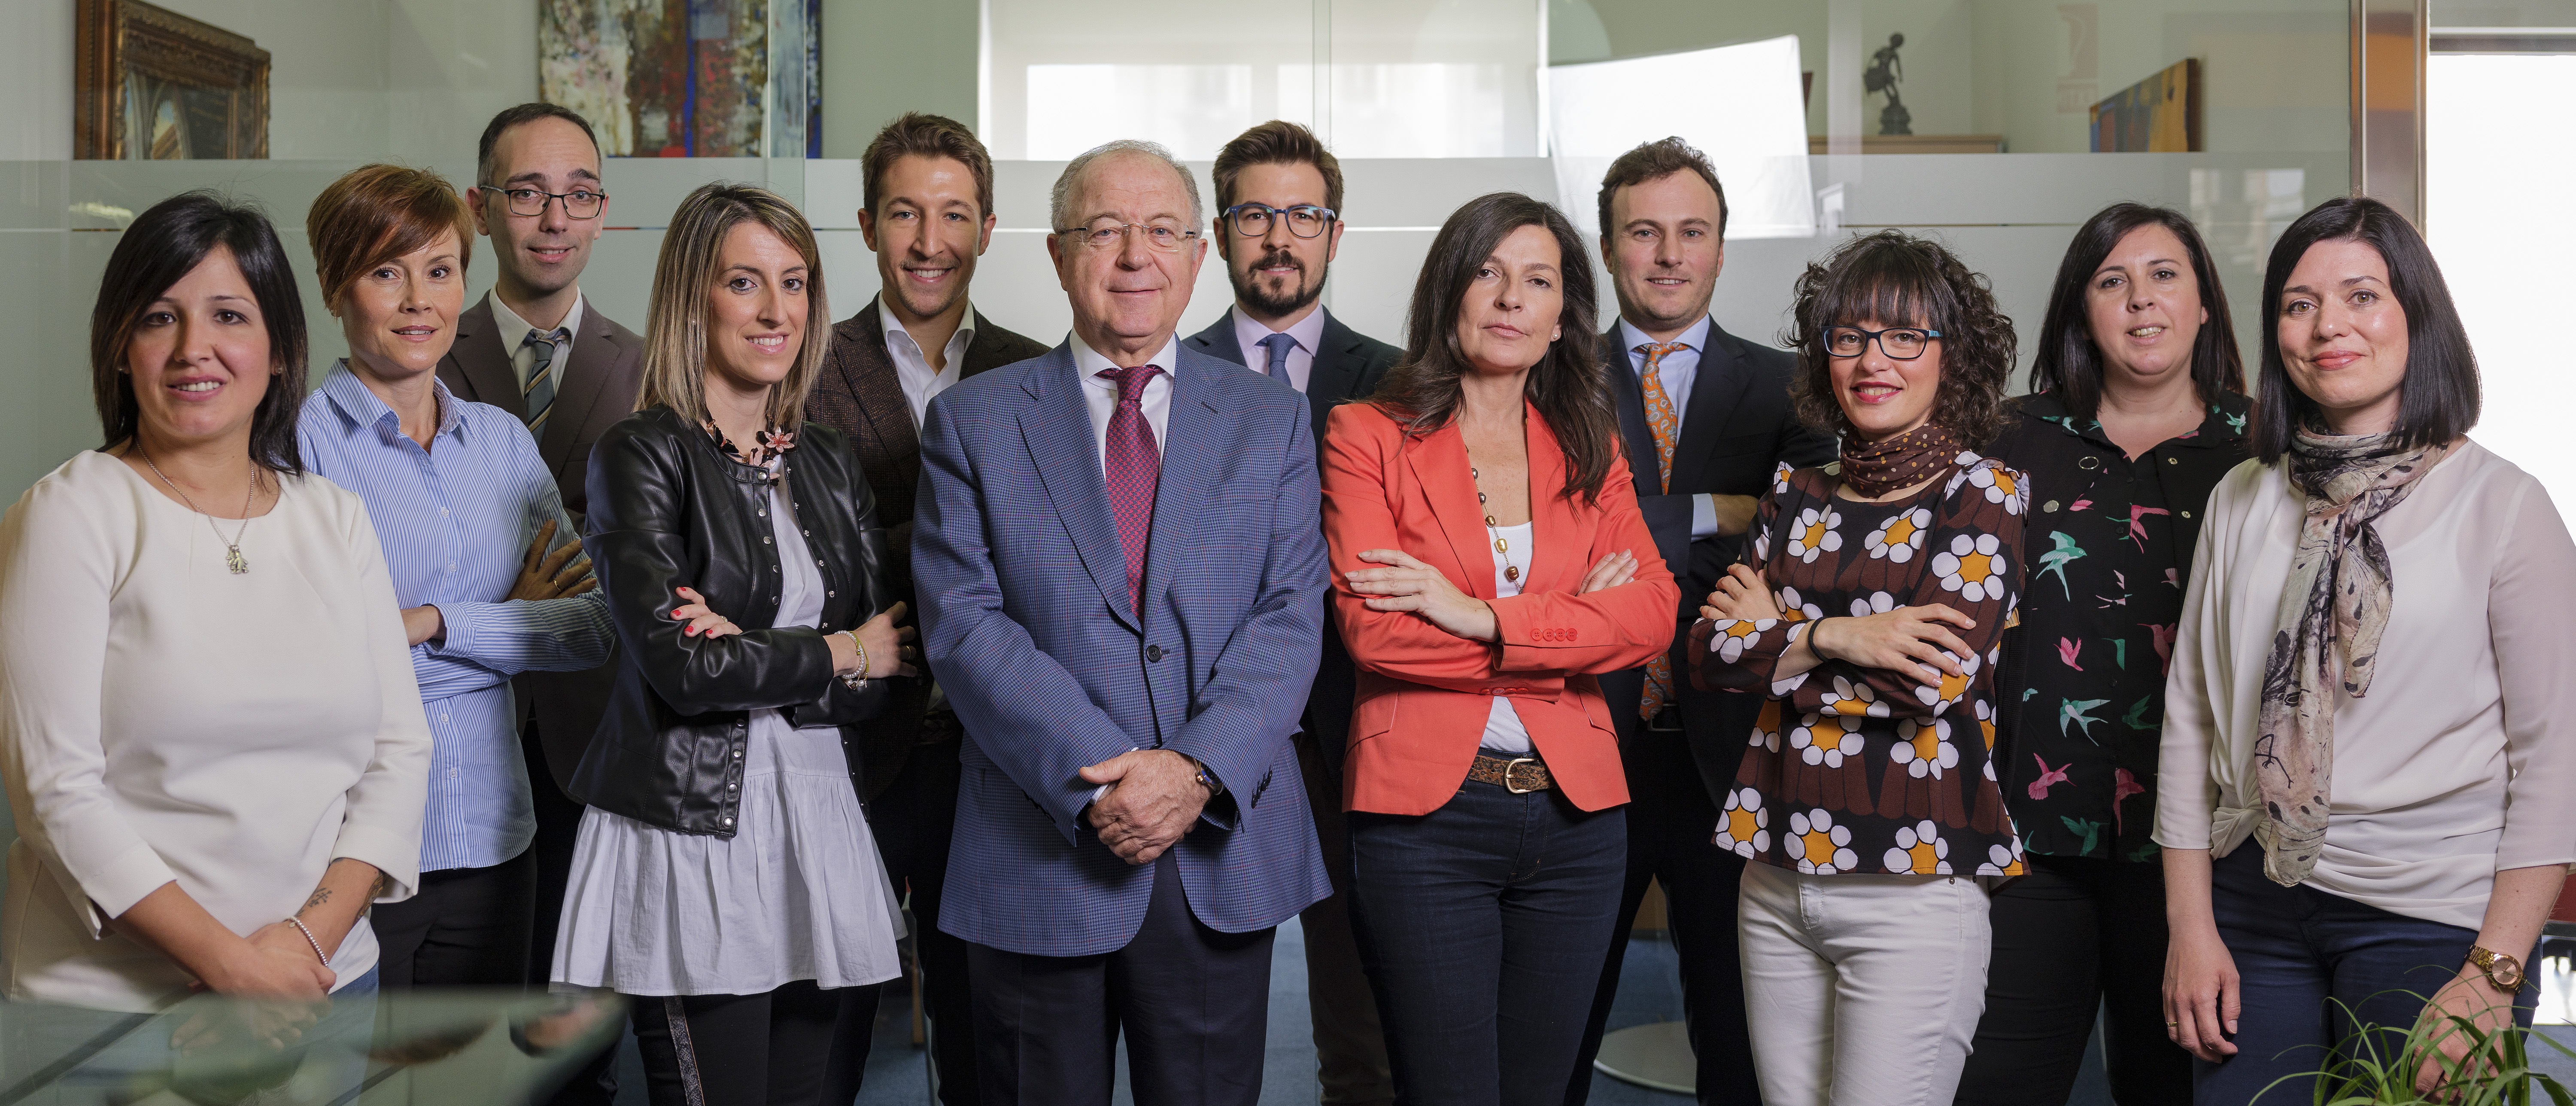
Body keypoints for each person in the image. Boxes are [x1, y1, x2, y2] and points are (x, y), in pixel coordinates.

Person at [913, 139, 1331, 1106]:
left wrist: (1192, 772)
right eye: (1106, 230)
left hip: (1214, 842)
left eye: (1162, 231)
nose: (1137, 255)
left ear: (1198, 254)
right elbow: (966, 626)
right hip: (1039, 840)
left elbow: (1289, 616)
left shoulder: (1270, 419)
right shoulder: (973, 421)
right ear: (1059, 255)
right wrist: (1104, 775)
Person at [0, 191, 429, 1092]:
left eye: (230, 316)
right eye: (160, 317)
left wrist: (300, 945)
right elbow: (55, 791)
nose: (194, 347)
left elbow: (398, 753)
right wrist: (236, 967)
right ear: (121, 346)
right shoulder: (72, 513)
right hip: (118, 1013)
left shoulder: (335, 518)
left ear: (278, 350)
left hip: (324, 984)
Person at [2158, 195, 2575, 1102]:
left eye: (2362, 296)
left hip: (2436, 919)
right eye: (2299, 304)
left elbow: (2559, 757)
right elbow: (2191, 719)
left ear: (2416, 315)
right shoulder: (2241, 495)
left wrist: (2493, 974)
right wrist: (2190, 926)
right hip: (2250, 903)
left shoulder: (2504, 506)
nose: (2328, 327)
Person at [553, 182, 915, 1106]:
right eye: (745, 283)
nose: (776, 311)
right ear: (694, 298)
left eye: (795, 284)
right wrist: (834, 651)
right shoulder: (641, 452)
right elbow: (686, 672)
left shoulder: (827, 460)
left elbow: (889, 667)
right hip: (693, 825)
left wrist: (768, 651)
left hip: (818, 822)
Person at [1321, 190, 1677, 1106]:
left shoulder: (1589, 444)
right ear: (1450, 291)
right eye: (1489, 272)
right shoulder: (1367, 435)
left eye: (1540, 281)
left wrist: (1479, 615)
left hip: (1578, 821)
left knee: (1542, 1091)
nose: (1513, 297)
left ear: (1564, 319)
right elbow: (1377, 633)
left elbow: (1653, 614)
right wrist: (1573, 627)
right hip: (1426, 823)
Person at [1691, 229, 2028, 1106]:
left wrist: (1780, 636)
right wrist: (1843, 637)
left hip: (1911, 889)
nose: (1874, 360)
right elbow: (1710, 654)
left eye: (1905, 336)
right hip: (1774, 873)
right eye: (1851, 336)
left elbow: (1928, 682)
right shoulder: (1793, 492)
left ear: (1953, 357)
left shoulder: (1982, 493)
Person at [295, 164, 615, 996]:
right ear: (334, 287)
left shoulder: (502, 442)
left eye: (439, 271)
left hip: (496, 839)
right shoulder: (297, 446)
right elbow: (315, 666)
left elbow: (590, 630)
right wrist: (511, 626)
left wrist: (431, 622)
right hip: (348, 855)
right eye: (385, 272)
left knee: (475, 1066)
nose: (419, 301)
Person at [1953, 204, 2247, 1106]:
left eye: (2164, 276)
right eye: (2112, 282)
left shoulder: (2264, 451)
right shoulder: (2005, 441)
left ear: (2204, 304)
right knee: (1997, 1086)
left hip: (2206, 851)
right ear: (2082, 313)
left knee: (2174, 1088)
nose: (2141, 300)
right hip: (2029, 841)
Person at [1573, 137, 1836, 1106]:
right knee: (1556, 1025)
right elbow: (1551, 530)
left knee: (1740, 1039)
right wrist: (1717, 509)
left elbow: (1806, 535)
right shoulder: (1552, 375)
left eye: (1692, 232)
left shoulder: (1794, 384)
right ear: (1609, 248)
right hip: (1584, 739)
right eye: (1644, 232)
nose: (1669, 254)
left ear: (1722, 248)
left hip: (1734, 749)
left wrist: (1632, 521)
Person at [799, 112, 1047, 1105]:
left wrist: (888, 541)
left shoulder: (1037, 374)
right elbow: (800, 558)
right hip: (849, 752)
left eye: (954, 215)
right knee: (825, 1039)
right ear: (868, 226)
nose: (929, 241)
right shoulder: (804, 367)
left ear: (988, 228)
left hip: (992, 761)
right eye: (905, 213)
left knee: (988, 1045)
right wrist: (965, 540)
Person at [1178, 117, 1403, 1106]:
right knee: (1199, 1015)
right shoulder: (1165, 375)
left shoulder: (1402, 383)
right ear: (1221, 233)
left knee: (1366, 1017)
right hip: (1210, 725)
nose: (1280, 236)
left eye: (1304, 215)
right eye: (1255, 215)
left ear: (1335, 233)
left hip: (1361, 726)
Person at [434, 105, 646, 1057]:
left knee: (574, 1026)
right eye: (527, 193)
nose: (556, 218)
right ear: (480, 209)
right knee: (449, 1033)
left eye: (579, 195)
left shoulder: (652, 369)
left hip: (592, 730)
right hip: (450, 731)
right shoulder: (421, 350)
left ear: (601, 211)